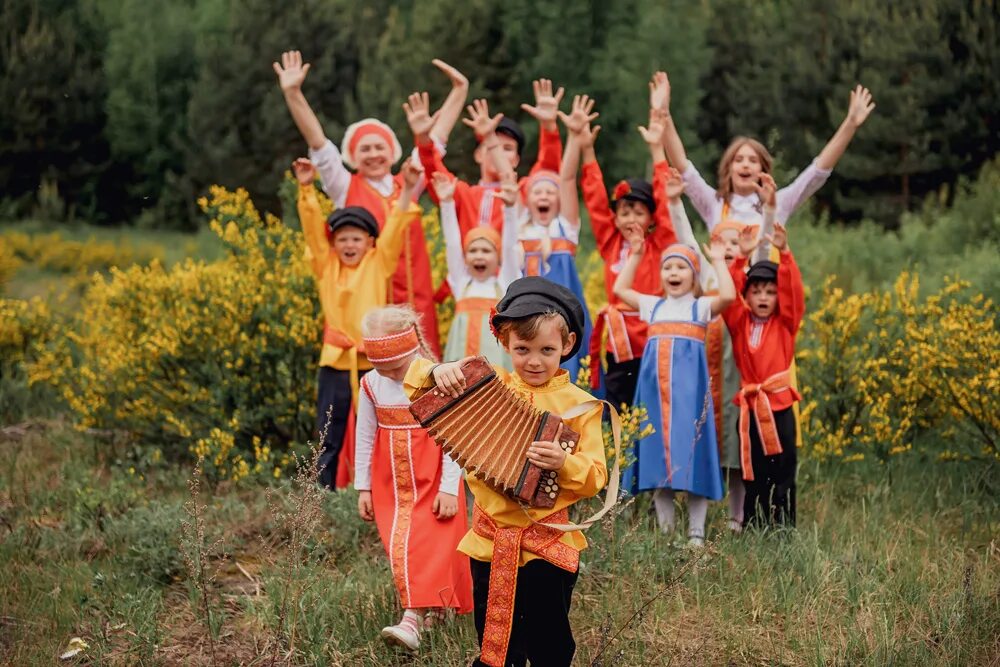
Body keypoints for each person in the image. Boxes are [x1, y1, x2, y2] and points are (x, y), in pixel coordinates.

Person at [403, 277, 607, 667]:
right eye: (522, 349)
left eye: (547, 350)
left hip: (547, 543)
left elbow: (596, 475)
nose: (534, 360)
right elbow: (411, 381)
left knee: (550, 644)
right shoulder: (486, 385)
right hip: (488, 541)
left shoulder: (582, 406)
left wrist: (565, 464)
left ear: (567, 345)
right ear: (504, 343)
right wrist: (438, 372)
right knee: (496, 645)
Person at [274, 51, 468, 357]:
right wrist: (293, 93)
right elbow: (319, 143)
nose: (374, 153)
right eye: (365, 148)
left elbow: (435, 141)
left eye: (380, 147)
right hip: (370, 300)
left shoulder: (408, 180)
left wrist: (459, 91)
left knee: (421, 376)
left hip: (415, 297)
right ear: (353, 155)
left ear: (391, 152)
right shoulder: (344, 185)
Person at [293, 156, 422, 488]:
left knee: (379, 427)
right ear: (333, 244)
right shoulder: (326, 265)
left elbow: (395, 225)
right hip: (336, 360)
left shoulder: (379, 263)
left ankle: (378, 490)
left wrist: (407, 187)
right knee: (329, 429)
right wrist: (306, 189)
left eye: (357, 238)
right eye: (343, 239)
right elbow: (311, 230)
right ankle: (321, 495)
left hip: (376, 361)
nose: (349, 244)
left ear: (370, 243)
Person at [653, 70, 875, 260]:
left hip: (764, 299)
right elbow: (682, 166)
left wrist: (850, 124)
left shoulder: (780, 203)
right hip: (725, 300)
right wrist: (664, 114)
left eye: (752, 160)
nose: (745, 165)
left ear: (762, 171)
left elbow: (818, 172)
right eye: (738, 160)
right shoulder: (714, 203)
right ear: (728, 169)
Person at [354, 305, 473, 651]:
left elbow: (454, 438)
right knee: (401, 547)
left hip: (433, 479)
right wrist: (363, 486)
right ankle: (432, 609)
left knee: (431, 546)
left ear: (413, 351)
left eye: (396, 368)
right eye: (381, 368)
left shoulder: (436, 381)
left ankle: (412, 619)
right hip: (391, 482)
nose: (389, 376)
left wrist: (450, 488)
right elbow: (364, 435)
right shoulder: (371, 385)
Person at [666, 167, 777, 531]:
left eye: (734, 243)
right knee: (700, 436)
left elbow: (761, 248)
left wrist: (769, 215)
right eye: (721, 243)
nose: (728, 249)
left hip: (736, 371)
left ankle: (736, 515)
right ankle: (687, 508)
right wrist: (674, 201)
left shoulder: (747, 280)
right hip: (703, 368)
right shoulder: (708, 277)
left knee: (734, 443)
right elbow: (684, 237)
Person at [614, 225, 735, 544]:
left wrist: (719, 261)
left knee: (693, 460)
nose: (674, 271)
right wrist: (637, 254)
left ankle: (696, 533)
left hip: (689, 400)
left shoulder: (700, 307)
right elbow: (621, 289)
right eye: (668, 266)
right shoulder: (654, 306)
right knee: (657, 463)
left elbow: (728, 296)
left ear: (694, 275)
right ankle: (667, 532)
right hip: (654, 397)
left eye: (682, 266)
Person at [573, 103, 677, 407]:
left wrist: (657, 151)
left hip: (653, 334)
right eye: (624, 210)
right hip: (620, 340)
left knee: (653, 405)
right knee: (618, 404)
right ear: (615, 218)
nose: (630, 217)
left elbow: (666, 204)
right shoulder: (612, 244)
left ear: (651, 218)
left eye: (639, 210)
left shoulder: (660, 245)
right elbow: (594, 200)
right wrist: (588, 152)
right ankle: (619, 454)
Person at [407, 76, 565, 240]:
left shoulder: (526, 193)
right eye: (492, 146)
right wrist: (424, 139)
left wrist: (548, 126)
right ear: (478, 155)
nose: (499, 153)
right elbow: (432, 169)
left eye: (508, 148)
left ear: (516, 159)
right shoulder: (462, 195)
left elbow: (549, 168)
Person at [722, 222, 805, 528]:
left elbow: (793, 294)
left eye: (770, 292)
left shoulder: (786, 323)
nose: (763, 297)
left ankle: (782, 528)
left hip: (779, 406)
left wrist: (785, 254)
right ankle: (755, 525)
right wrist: (740, 259)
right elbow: (729, 297)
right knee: (753, 471)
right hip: (751, 410)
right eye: (756, 291)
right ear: (748, 295)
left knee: (783, 471)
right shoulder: (740, 323)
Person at [434, 156, 520, 366]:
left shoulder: (504, 283)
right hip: (459, 363)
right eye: (473, 250)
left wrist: (509, 208)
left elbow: (510, 245)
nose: (479, 255)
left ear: (497, 257)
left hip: (495, 365)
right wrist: (446, 203)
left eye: (486, 250)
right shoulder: (461, 282)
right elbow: (453, 244)